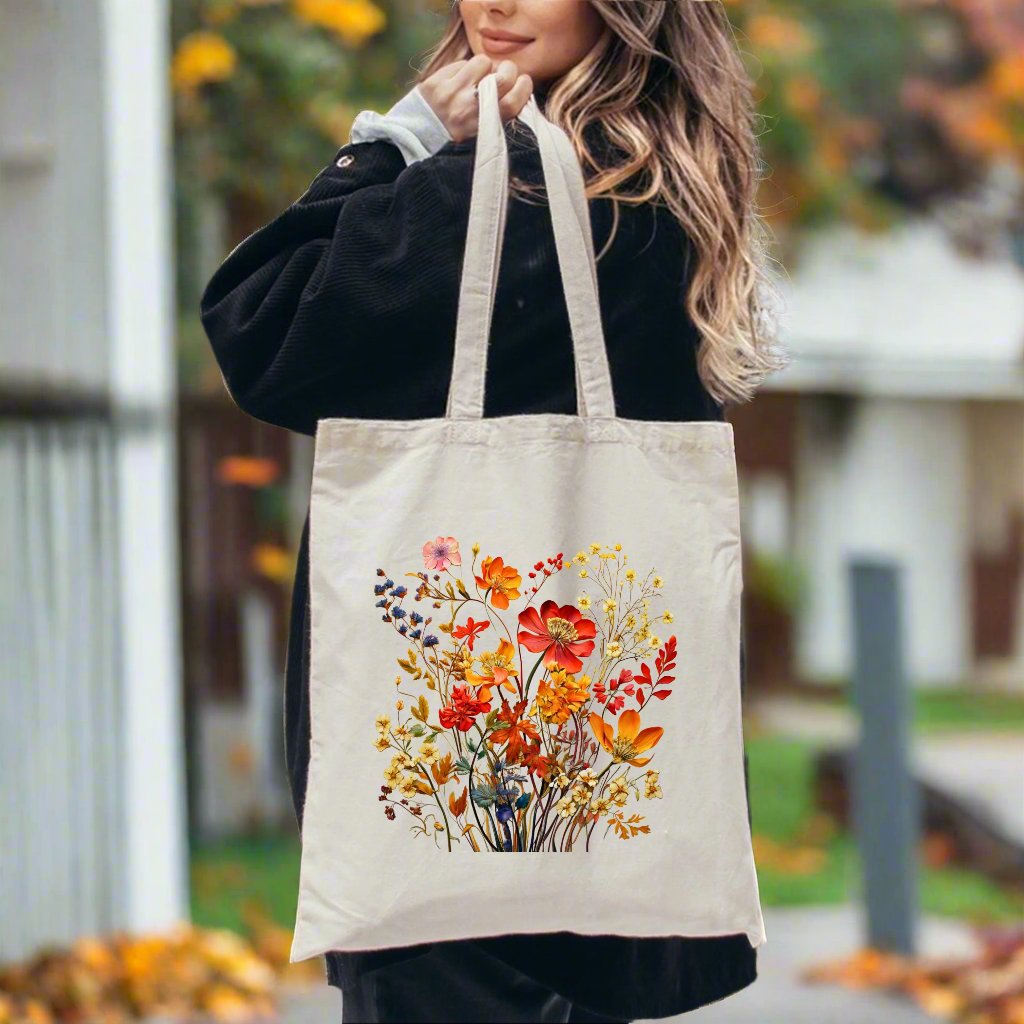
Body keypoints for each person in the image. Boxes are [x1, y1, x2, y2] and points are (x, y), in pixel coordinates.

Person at [200, 2, 783, 1021]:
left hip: (457, 837)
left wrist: (406, 137)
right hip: (597, 799)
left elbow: (261, 325)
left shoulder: (505, 186)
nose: (495, 4)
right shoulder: (671, 183)